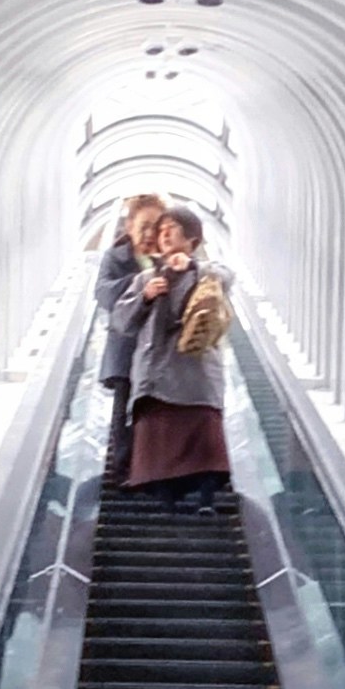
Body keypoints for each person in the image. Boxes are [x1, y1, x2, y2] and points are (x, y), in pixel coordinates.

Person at [113, 204, 234, 516]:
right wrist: (146, 296)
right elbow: (122, 321)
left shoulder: (208, 272)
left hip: (195, 372)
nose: (164, 235)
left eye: (173, 230)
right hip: (156, 372)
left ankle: (206, 500)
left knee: (202, 436)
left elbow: (227, 277)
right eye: (162, 230)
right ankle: (166, 503)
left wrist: (194, 268)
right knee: (158, 441)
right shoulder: (145, 279)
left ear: (192, 239)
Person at [95, 194, 164, 490]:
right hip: (125, 348)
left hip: (159, 352)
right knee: (123, 411)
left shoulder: (170, 259)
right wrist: (140, 284)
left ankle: (153, 471)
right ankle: (122, 471)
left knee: (155, 411)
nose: (149, 234)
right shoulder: (115, 257)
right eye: (144, 226)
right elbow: (104, 294)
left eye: (156, 227)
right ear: (129, 225)